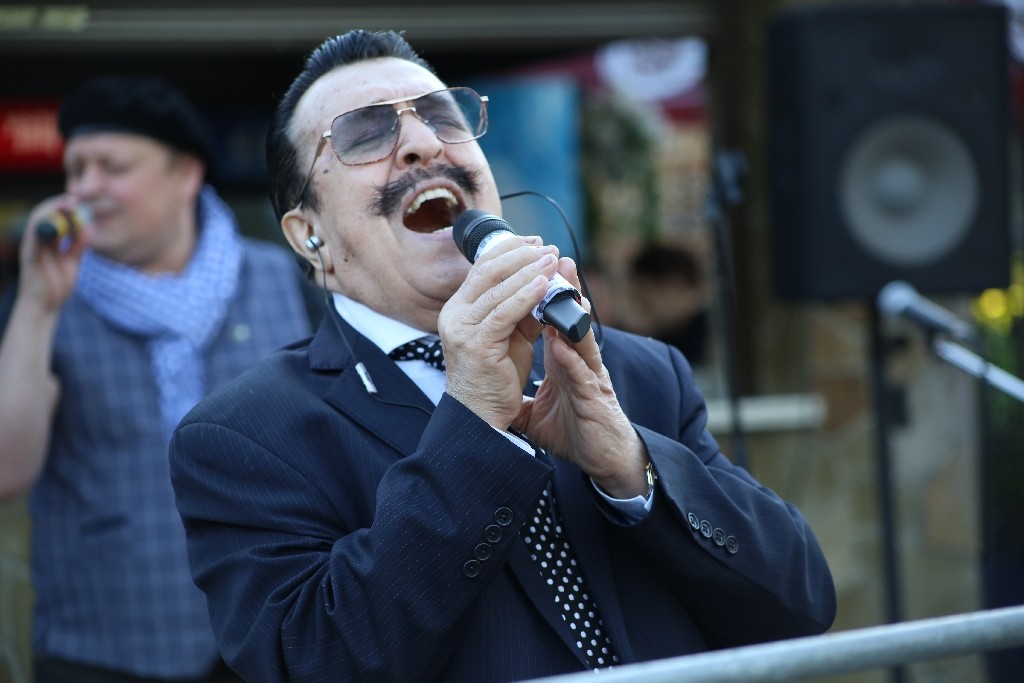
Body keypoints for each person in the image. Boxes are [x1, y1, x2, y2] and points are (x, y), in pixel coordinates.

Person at [169, 30, 837, 683]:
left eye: (442, 117)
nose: (424, 142)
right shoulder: (242, 436)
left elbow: (800, 606)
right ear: (308, 233)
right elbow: (319, 659)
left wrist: (630, 467)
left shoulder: (637, 371)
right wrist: (474, 426)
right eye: (364, 134)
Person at [0, 76, 316, 682]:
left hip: (268, 639)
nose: (85, 188)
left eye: (112, 167)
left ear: (185, 175)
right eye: (75, 170)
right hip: (99, 655)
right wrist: (37, 304)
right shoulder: (41, 300)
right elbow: (7, 472)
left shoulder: (283, 278)